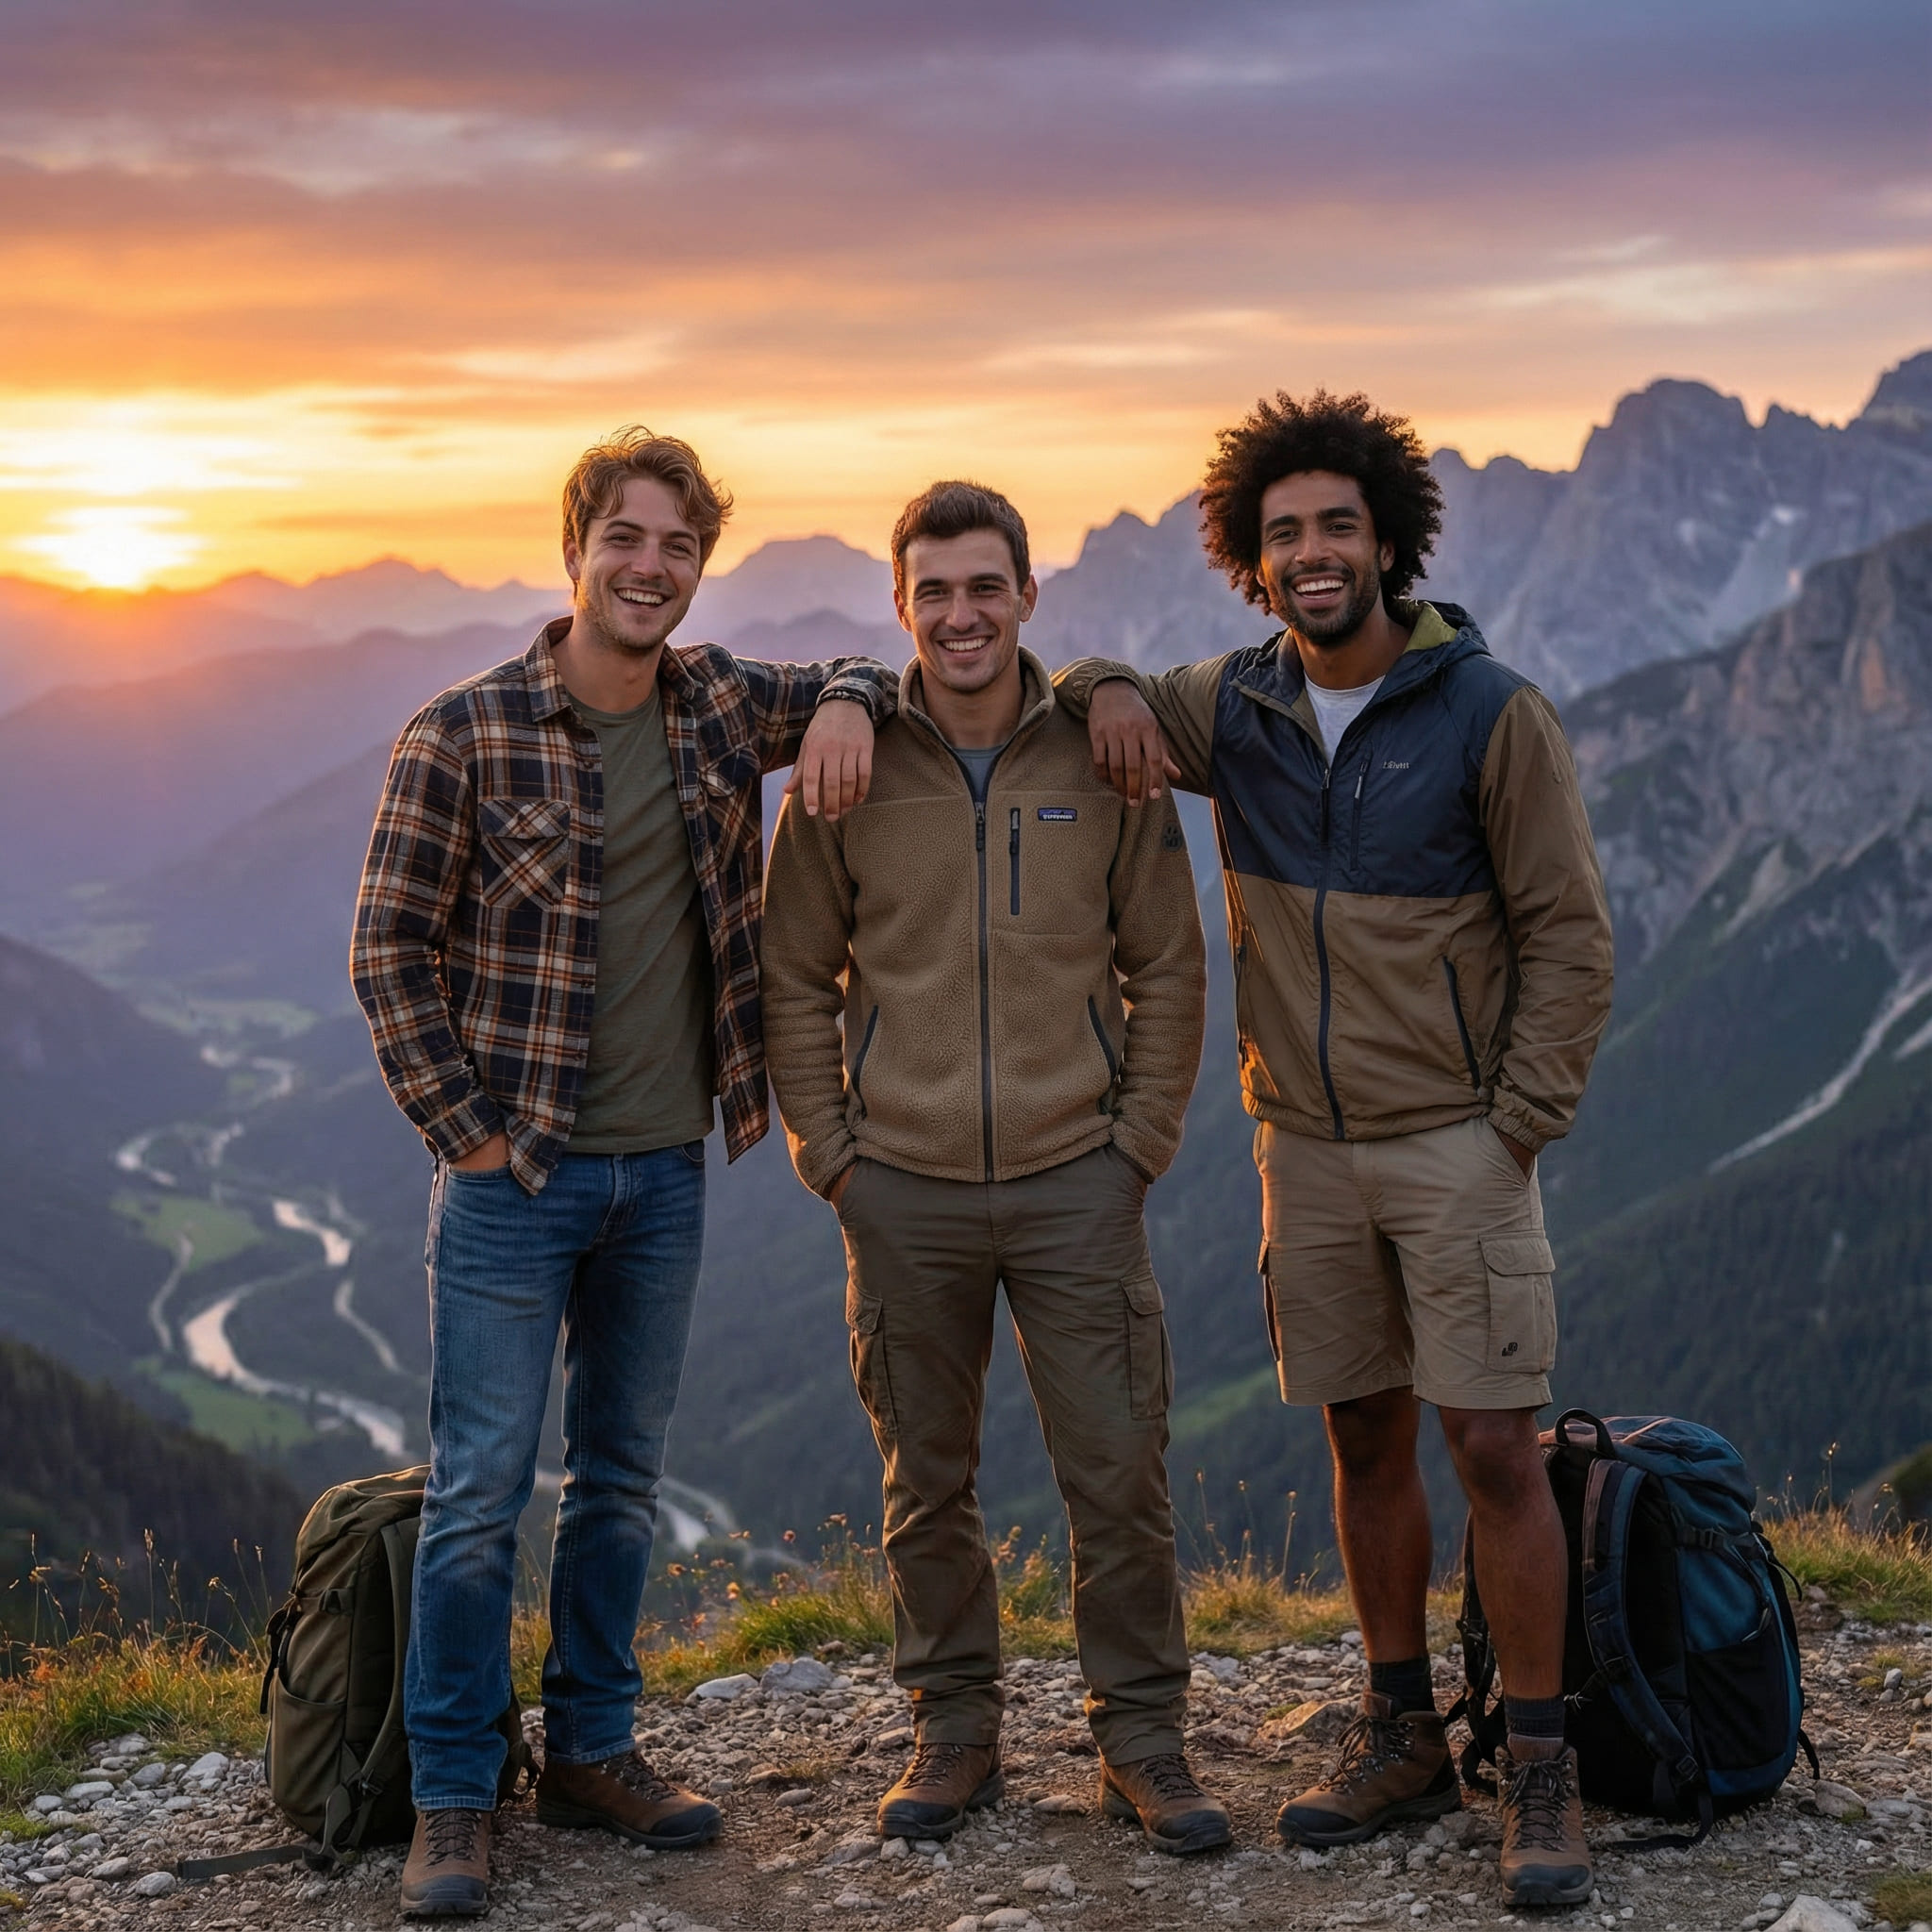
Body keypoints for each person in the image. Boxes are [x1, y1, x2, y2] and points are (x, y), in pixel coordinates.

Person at [1059, 391, 1615, 1908]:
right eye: (1283, 531)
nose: (1312, 553)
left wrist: (1515, 1129)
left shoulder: (1492, 714)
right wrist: (1107, 680)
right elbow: (1094, 686)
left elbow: (1570, 936)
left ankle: (1546, 1771)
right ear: (1252, 557)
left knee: (1495, 1444)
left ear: (1389, 540)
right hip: (1300, 1146)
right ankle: (1400, 1731)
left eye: (1337, 526)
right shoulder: (1232, 709)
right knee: (1361, 1434)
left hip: (1457, 1144)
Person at [351, 426, 897, 1920]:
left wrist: (849, 703)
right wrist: (462, 1129)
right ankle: (455, 1795)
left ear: (696, 569)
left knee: (620, 1486)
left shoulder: (721, 701)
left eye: (679, 549)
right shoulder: (460, 732)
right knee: (477, 1498)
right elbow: (386, 952)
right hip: (512, 1182)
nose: (651, 569)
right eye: (627, 541)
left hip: (664, 1173)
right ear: (576, 546)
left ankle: (593, 1745)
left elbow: (874, 661)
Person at [761, 480, 1230, 1856]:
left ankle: (1141, 1742)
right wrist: (832, 1155)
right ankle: (954, 1732)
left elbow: (1171, 965)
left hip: (1078, 1176)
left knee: (1119, 1470)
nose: (961, 614)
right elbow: (794, 975)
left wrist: (1137, 1143)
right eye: (935, 591)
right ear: (899, 606)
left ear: (1029, 594)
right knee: (927, 1481)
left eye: (987, 587)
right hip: (896, 1182)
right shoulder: (846, 767)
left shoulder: (1105, 750)